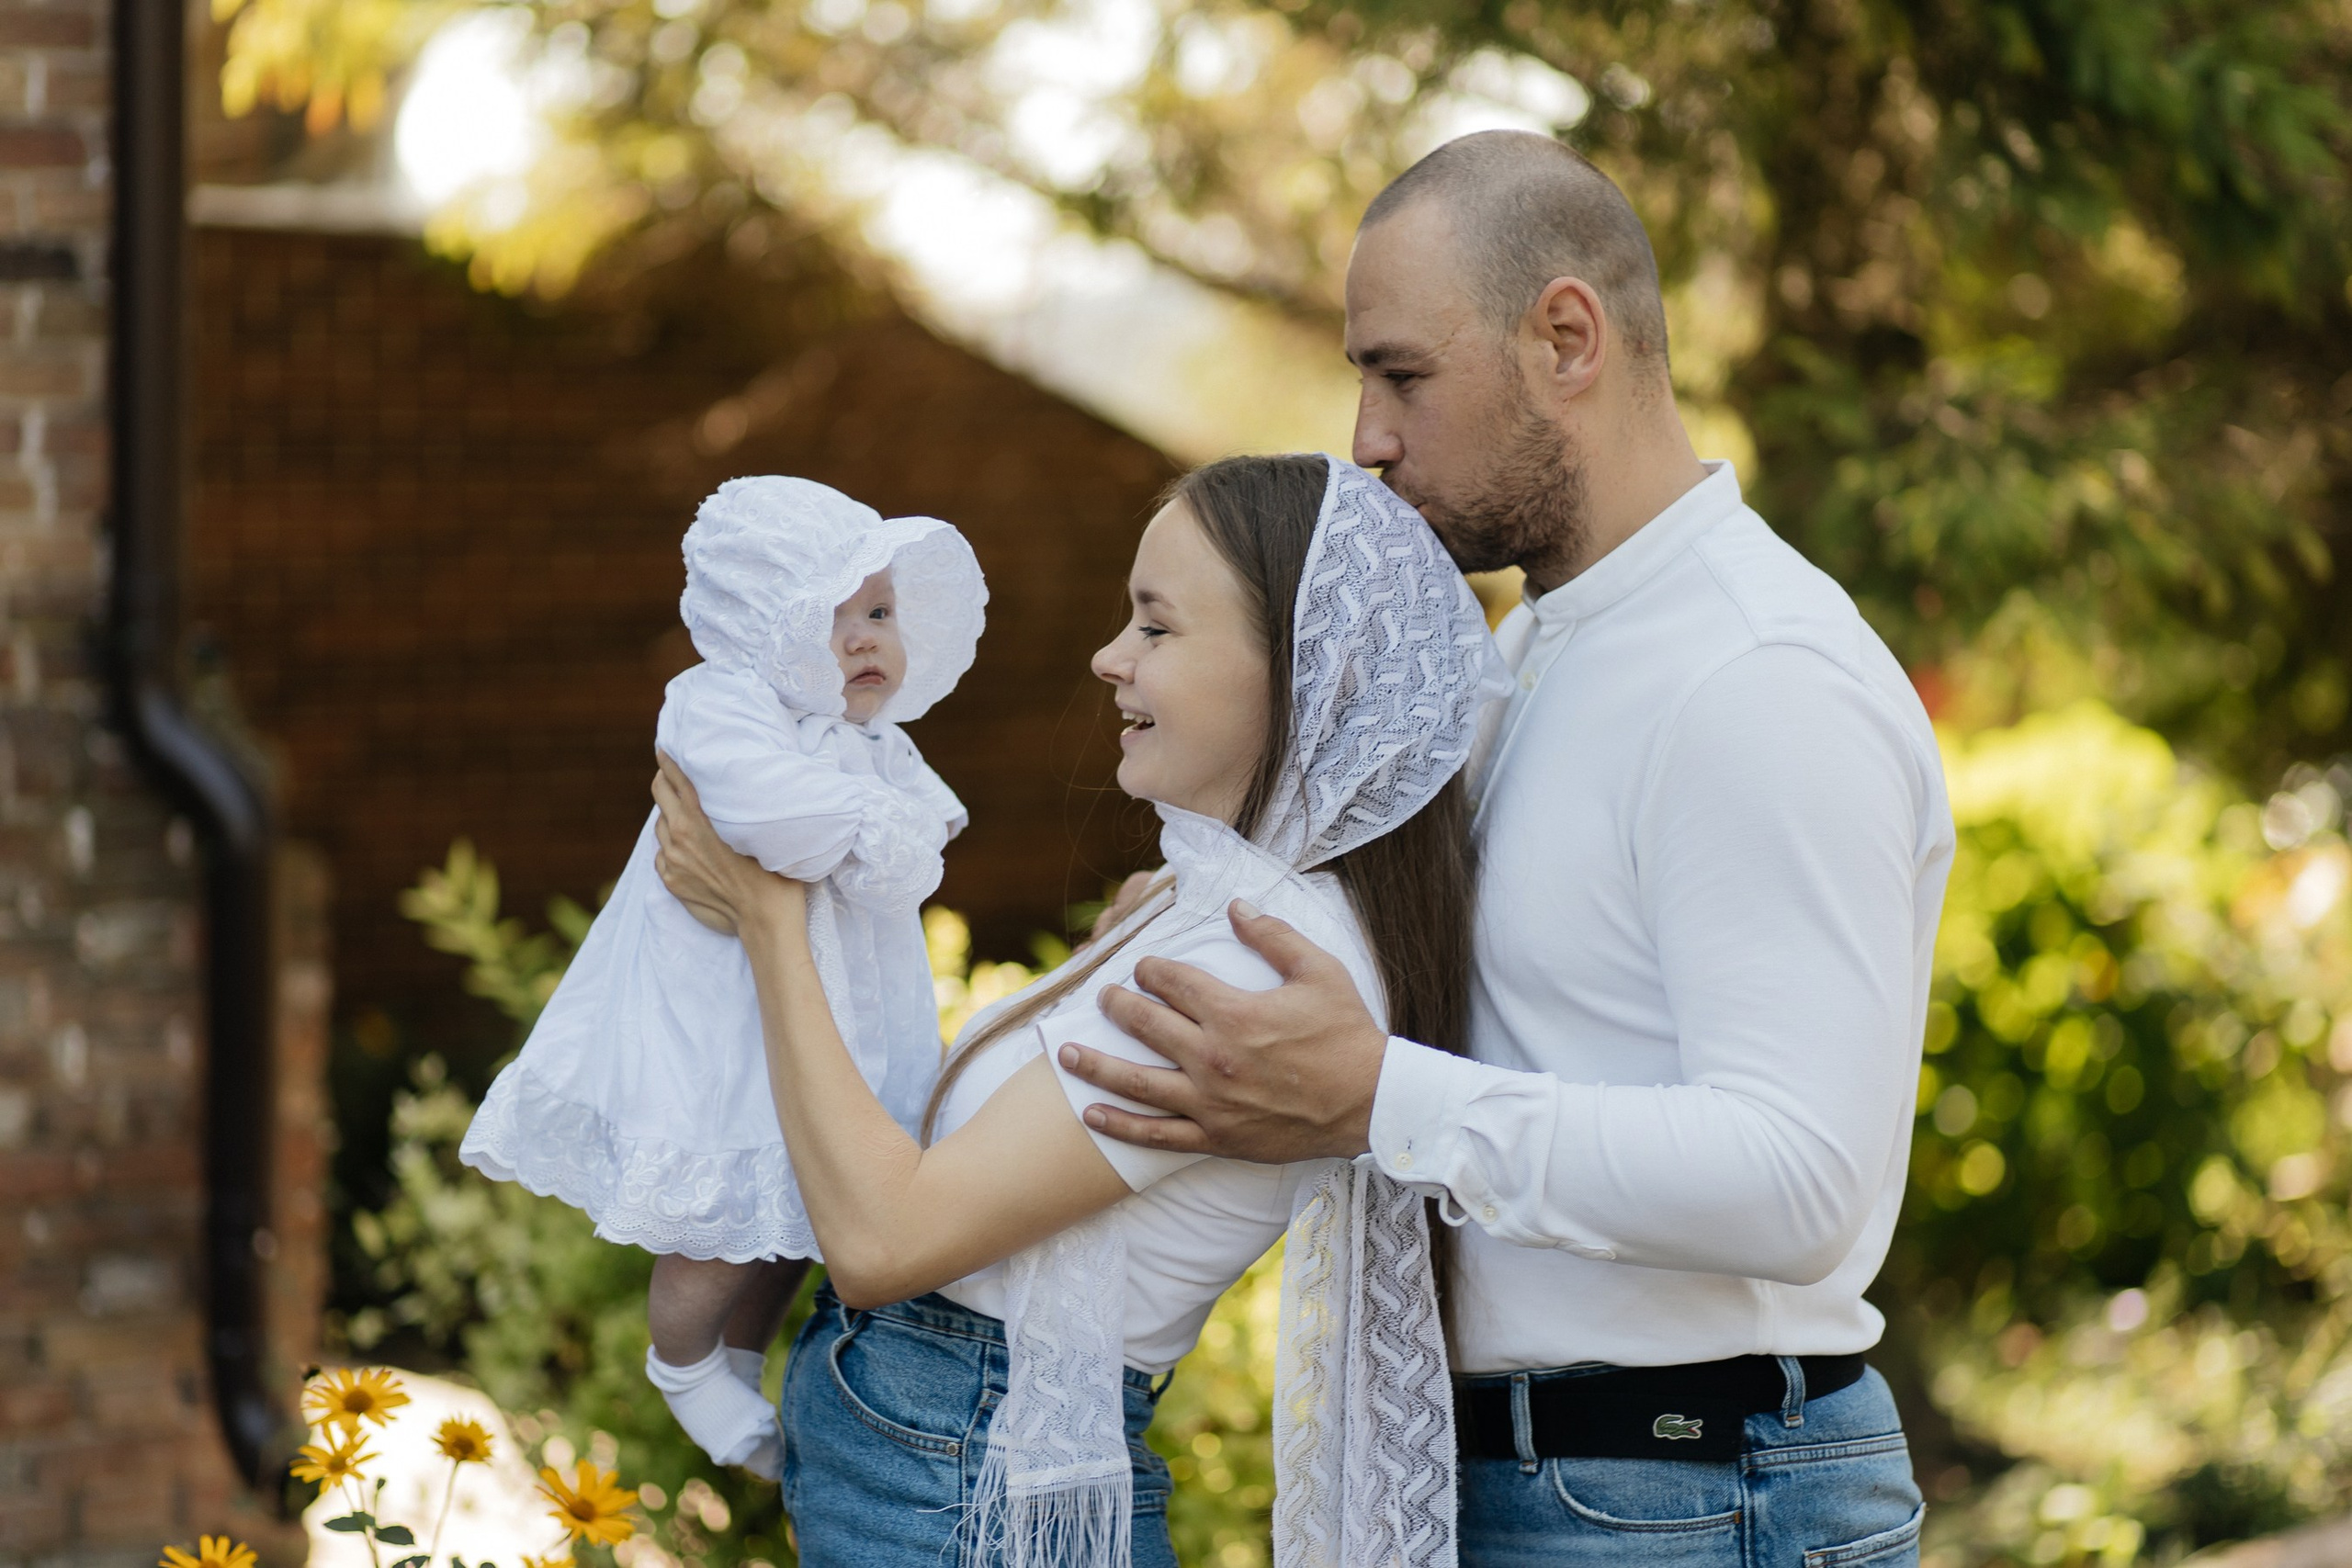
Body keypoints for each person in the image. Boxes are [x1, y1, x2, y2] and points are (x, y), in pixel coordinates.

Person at [1060, 131, 1957, 1566]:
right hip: (1549, 1486)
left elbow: (1801, 1178)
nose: (1366, 436)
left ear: (1566, 338)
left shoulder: (1755, 675)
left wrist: (1375, 1094)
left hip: (1687, 1495)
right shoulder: (1529, 649)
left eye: (1401, 372)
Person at [650, 453, 1500, 1568]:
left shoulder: (1253, 969)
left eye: (1155, 628)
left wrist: (769, 920)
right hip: (943, 1452)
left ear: (1301, 671)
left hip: (961, 1478)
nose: (1108, 659)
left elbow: (882, 1239)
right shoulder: (1223, 905)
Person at [461, 476, 985, 1478]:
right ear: (760, 626)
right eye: (834, 618)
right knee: (718, 1215)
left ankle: (742, 1356)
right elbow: (770, 818)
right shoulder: (717, 706)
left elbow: (931, 829)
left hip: (838, 1014)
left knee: (804, 1201)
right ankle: (686, 1359)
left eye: (878, 612)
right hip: (726, 1017)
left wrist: (886, 826)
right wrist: (874, 829)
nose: (867, 638)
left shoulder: (873, 741)